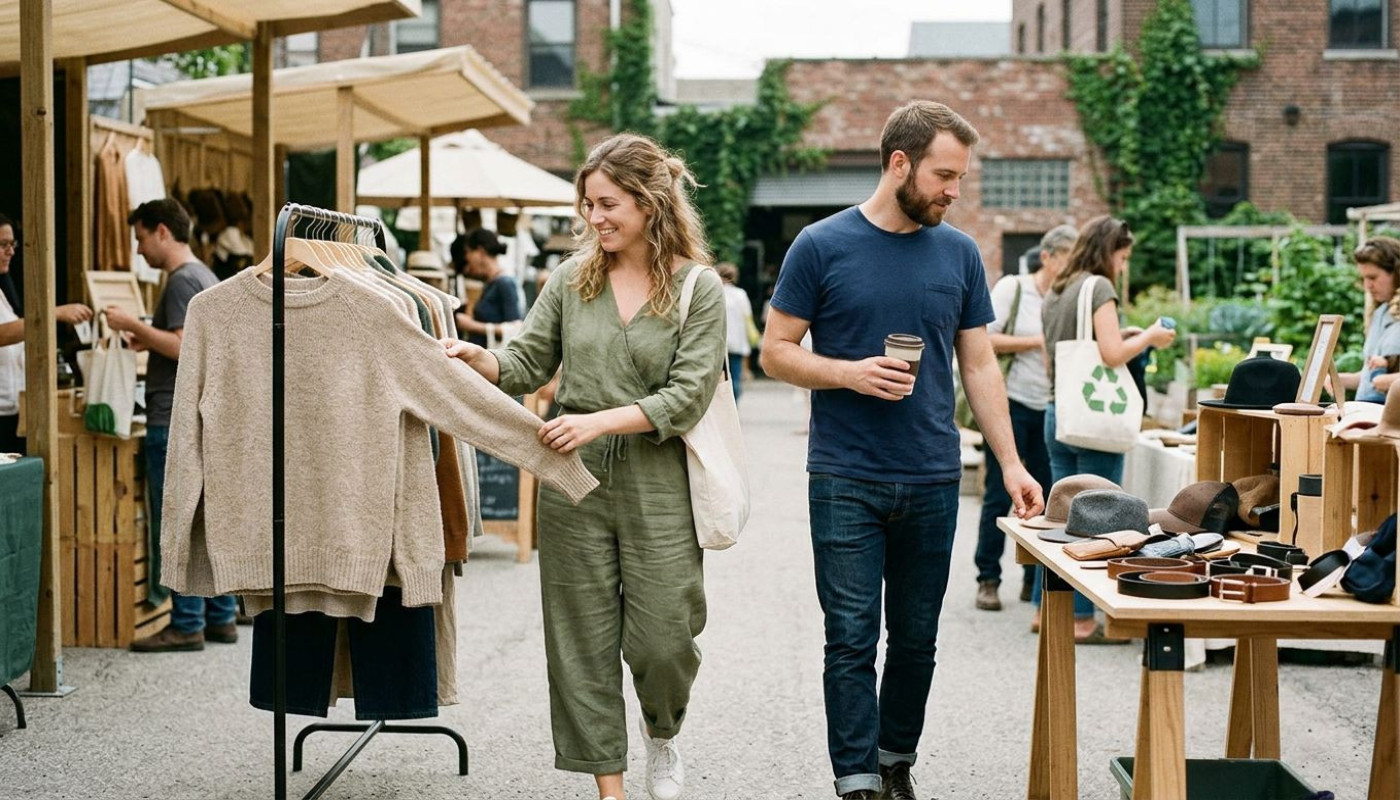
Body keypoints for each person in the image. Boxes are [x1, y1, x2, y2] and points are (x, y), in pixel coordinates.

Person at [759, 100, 1045, 800]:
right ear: (898, 164)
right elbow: (774, 352)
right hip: (844, 475)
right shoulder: (820, 246)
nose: (955, 190)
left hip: (932, 476)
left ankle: (894, 762)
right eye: (944, 175)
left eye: (960, 177)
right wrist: (847, 372)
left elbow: (978, 366)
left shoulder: (960, 253)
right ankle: (856, 782)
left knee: (916, 638)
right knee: (851, 638)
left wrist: (1011, 464)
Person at [441, 133, 723, 800]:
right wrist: (475, 359)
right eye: (587, 206)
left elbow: (688, 396)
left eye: (607, 205)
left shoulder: (696, 287)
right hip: (573, 481)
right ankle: (610, 787)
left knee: (663, 640)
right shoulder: (572, 280)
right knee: (580, 638)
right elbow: (523, 366)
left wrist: (598, 419)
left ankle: (662, 732)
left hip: (660, 479)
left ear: (651, 203)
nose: (593, 219)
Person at [1037, 215, 1175, 641]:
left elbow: (1063, 354)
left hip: (1059, 411)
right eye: (1123, 256)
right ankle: (1081, 620)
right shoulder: (1098, 287)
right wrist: (1149, 336)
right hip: (1094, 418)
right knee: (1099, 520)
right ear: (1107, 251)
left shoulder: (1058, 288)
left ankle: (1047, 611)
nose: (1123, 265)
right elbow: (1113, 354)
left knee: (1062, 516)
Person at [112, 199, 233, 652]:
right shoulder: (204, 275)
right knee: (206, 519)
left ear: (162, 231)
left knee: (179, 521)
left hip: (172, 417)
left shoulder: (182, 281)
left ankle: (186, 622)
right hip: (202, 414)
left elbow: (182, 348)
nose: (139, 249)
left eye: (140, 237)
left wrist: (134, 326)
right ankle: (219, 616)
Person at [973, 224, 1077, 612]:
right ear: (1047, 257)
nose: (1070, 269)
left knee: (1048, 496)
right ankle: (988, 577)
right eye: (1067, 260)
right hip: (1010, 402)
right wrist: (1038, 341)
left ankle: (1034, 581)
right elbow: (984, 341)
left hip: (1051, 405)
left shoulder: (1068, 295)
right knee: (1000, 494)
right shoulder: (1013, 289)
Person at [0, 214, 94, 454]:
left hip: (13, 407)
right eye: (3, 245)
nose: (10, 251)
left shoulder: (6, 292)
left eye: (13, 244)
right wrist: (53, 313)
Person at [1336, 236, 1400, 402]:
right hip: (1371, 413)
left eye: (1373, 278)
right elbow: (1370, 378)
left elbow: (1383, 380)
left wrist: (1391, 381)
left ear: (1396, 273)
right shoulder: (1380, 313)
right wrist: (1341, 380)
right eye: (1363, 278)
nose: (1367, 286)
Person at [453, 228, 523, 347]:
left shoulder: (505, 283)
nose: (467, 257)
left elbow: (516, 329)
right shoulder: (490, 283)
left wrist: (471, 325)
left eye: (468, 252)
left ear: (480, 252)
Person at [716, 262, 755, 400]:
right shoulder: (741, 295)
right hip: (737, 342)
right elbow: (747, 319)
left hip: (718, 343)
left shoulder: (714, 292)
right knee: (735, 378)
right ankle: (734, 407)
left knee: (718, 380)